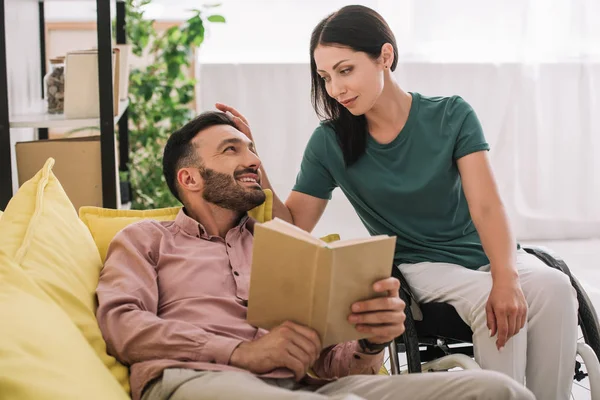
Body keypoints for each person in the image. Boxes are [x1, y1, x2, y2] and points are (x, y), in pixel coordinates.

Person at [215, 4, 579, 400]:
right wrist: (255, 163)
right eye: (325, 77)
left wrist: (505, 277)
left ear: (384, 57)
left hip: (484, 252)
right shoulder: (330, 142)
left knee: (555, 286)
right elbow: (294, 225)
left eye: (345, 70)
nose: (335, 89)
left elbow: (487, 208)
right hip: (420, 265)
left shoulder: (452, 115)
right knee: (487, 304)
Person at [96, 111, 533, 400]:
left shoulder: (280, 245)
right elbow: (122, 324)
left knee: (499, 391)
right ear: (189, 177)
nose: (251, 161)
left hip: (307, 388)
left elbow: (330, 362)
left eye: (252, 149)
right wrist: (241, 353)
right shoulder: (146, 239)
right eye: (232, 150)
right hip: (198, 379)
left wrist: (369, 341)